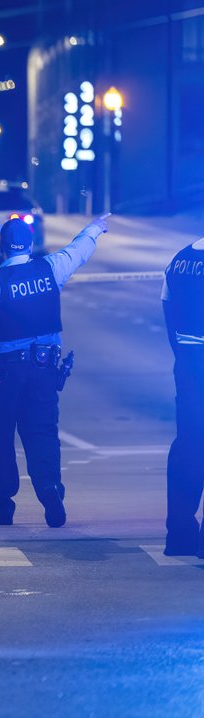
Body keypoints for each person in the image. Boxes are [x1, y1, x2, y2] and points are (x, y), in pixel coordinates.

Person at [0, 213, 110, 527]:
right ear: (30, 244)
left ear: (2, 248)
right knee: (42, 433)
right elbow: (78, 250)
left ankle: (0, 507)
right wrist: (94, 228)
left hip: (4, 375)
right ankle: (50, 489)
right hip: (44, 370)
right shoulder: (50, 268)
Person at [162, 235, 204, 557]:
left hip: (188, 361)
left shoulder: (180, 259)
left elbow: (166, 305)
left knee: (189, 443)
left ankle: (179, 533)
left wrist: (181, 352)